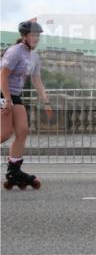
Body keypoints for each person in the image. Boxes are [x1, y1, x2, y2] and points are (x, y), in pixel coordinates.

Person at [1, 19, 53, 189]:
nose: (36, 39)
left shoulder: (34, 56)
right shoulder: (15, 52)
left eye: (38, 36)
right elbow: (2, 75)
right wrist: (7, 100)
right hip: (3, 92)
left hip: (16, 95)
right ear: (24, 36)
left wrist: (46, 101)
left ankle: (14, 171)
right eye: (33, 35)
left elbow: (37, 80)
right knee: (4, 134)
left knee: (22, 131)